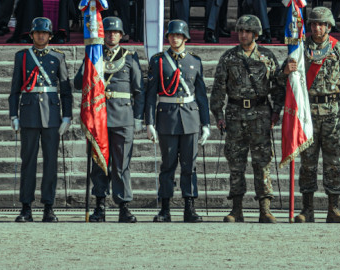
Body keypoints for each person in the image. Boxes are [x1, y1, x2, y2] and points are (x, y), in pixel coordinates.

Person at [209, 13, 283, 223]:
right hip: (234, 114)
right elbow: (218, 89)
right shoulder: (228, 57)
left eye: (247, 31)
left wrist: (276, 110)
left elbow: (277, 86)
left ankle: (265, 208)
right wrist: (218, 114)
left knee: (262, 162)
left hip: (260, 114)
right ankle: (237, 208)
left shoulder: (267, 57)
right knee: (236, 162)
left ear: (256, 34)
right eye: (241, 31)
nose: (243, 35)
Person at [290, 6, 340, 222]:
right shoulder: (300, 48)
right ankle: (307, 208)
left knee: (332, 162)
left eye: (321, 24)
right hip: (307, 113)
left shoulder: (339, 49)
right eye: (313, 24)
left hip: (332, 113)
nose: (317, 28)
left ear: (329, 26)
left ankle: (333, 208)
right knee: (307, 162)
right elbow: (287, 77)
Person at [74, 16, 143, 222]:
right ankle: (99, 206)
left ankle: (123, 205)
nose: (112, 35)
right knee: (99, 163)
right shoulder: (95, 55)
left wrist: (139, 117)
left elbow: (138, 90)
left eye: (116, 32)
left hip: (123, 117)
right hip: (99, 118)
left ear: (122, 35)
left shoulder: (130, 58)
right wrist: (88, 60)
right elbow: (78, 83)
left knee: (122, 165)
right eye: (108, 32)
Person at [143, 20, 211, 223]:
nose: (174, 38)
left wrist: (206, 124)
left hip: (190, 117)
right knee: (168, 165)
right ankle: (165, 208)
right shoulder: (158, 61)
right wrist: (149, 123)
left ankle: (189, 207)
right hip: (167, 117)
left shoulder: (195, 61)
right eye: (171, 35)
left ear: (185, 38)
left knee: (189, 166)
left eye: (178, 35)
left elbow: (201, 96)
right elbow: (150, 95)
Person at [8, 17, 72, 223]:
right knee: (28, 162)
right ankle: (26, 206)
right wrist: (13, 115)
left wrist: (67, 116)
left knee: (51, 163)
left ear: (50, 36)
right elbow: (14, 89)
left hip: (52, 116)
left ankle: (48, 206)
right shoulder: (22, 57)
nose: (41, 36)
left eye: (44, 33)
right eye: (37, 33)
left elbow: (66, 90)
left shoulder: (58, 57)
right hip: (29, 114)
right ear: (32, 35)